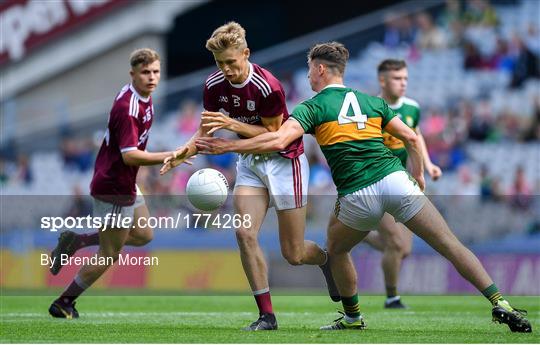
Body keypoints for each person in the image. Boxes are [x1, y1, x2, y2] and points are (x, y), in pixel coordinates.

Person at [195, 42, 532, 333]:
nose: (309, 76)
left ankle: (353, 317)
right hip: (396, 181)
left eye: (311, 70)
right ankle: (500, 301)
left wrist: (228, 146)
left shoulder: (312, 107)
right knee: (449, 244)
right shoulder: (371, 102)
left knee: (337, 249)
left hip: (358, 194)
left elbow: (280, 139)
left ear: (322, 70)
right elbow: (413, 137)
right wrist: (419, 175)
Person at [160, 22, 336, 331]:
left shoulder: (267, 86)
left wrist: (232, 125)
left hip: (284, 162)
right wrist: (180, 154)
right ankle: (267, 316)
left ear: (246, 53)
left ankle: (325, 259)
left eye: (231, 61)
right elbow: (205, 131)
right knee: (243, 233)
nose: (226, 69)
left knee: (293, 253)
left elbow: (273, 134)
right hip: (251, 164)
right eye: (220, 63)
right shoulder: (213, 85)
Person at [48, 48, 192, 319]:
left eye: (156, 72)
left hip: (124, 182)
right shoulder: (128, 108)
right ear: (133, 74)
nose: (152, 78)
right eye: (145, 72)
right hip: (113, 187)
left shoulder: (142, 96)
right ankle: (63, 302)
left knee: (144, 235)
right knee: (109, 254)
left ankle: (76, 241)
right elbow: (129, 156)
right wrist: (170, 155)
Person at [361, 59, 442, 309]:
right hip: (376, 183)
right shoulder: (371, 108)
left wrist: (427, 166)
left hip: (402, 182)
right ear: (383, 81)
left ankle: (359, 234)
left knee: (402, 249)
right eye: (397, 78)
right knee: (397, 244)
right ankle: (392, 297)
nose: (403, 83)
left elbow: (415, 137)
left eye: (405, 78)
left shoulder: (412, 107)